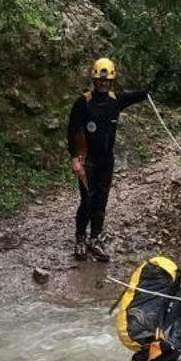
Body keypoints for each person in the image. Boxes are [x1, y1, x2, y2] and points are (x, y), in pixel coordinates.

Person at [67, 58, 150, 261]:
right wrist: (74, 158)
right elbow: (72, 131)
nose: (103, 84)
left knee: (101, 200)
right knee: (88, 199)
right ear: (95, 80)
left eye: (107, 81)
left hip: (106, 160)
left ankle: (95, 239)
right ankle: (80, 238)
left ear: (111, 81)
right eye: (100, 80)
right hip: (87, 159)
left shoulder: (115, 101)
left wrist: (151, 90)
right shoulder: (83, 102)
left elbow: (137, 96)